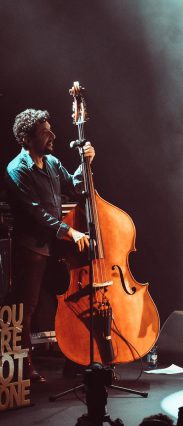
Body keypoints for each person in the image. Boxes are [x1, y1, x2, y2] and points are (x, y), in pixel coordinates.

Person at [4, 109, 94, 382]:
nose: (52, 135)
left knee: (71, 299)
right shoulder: (16, 169)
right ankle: (24, 366)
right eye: (45, 133)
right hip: (31, 248)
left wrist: (86, 163)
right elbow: (36, 212)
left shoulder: (52, 162)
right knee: (26, 308)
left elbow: (75, 187)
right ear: (27, 138)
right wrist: (70, 231)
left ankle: (75, 359)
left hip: (55, 246)